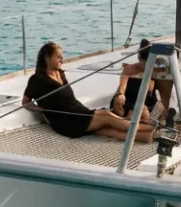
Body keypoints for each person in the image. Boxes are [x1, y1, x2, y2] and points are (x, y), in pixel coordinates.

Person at [23, 42, 154, 142]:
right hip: (65, 120)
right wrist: (42, 110)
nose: (62, 60)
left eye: (62, 57)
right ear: (47, 57)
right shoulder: (37, 80)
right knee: (106, 115)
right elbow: (26, 102)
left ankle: (148, 136)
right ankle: (149, 128)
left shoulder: (60, 73)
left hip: (77, 112)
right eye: (58, 57)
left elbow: (68, 99)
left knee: (107, 130)